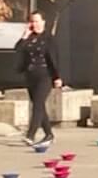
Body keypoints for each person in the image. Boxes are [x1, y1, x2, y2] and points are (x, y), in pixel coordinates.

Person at [15, 12, 65, 145]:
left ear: (43, 22)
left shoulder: (49, 38)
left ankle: (30, 135)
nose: (34, 24)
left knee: (38, 103)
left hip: (45, 75)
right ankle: (49, 134)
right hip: (31, 75)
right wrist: (24, 37)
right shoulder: (29, 38)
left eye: (37, 21)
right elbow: (18, 50)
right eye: (32, 22)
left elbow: (54, 59)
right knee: (39, 105)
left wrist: (57, 76)